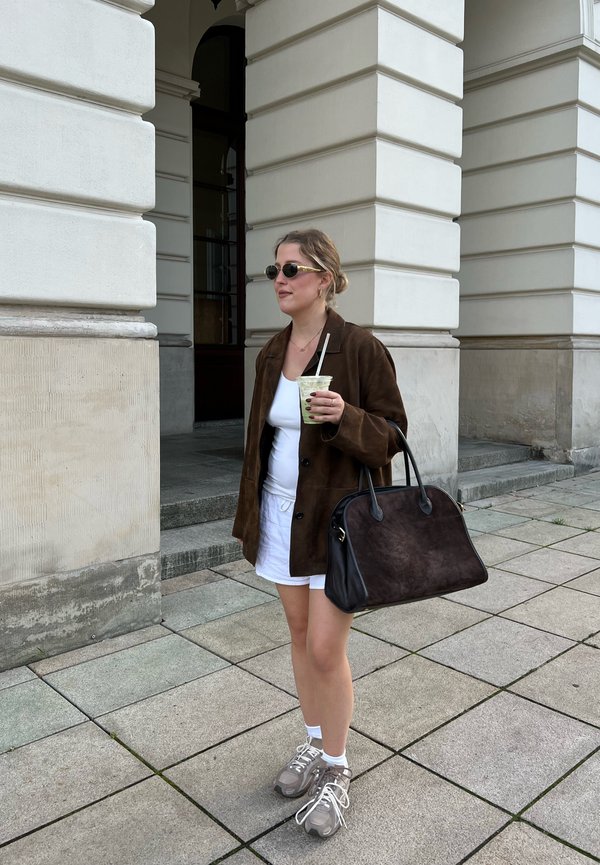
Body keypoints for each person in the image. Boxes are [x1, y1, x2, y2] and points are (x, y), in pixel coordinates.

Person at [232, 228, 407, 838]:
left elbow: (392, 434)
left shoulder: (360, 350)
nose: (279, 279)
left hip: (336, 523)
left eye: (292, 269)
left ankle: (337, 768)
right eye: (274, 269)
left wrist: (346, 418)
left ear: (324, 279)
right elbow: (263, 441)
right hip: (281, 518)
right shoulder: (269, 354)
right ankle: (313, 740)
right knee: (301, 634)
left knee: (328, 649)